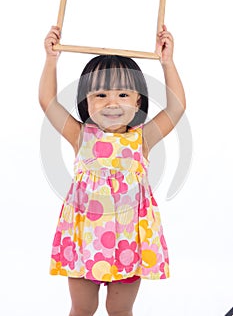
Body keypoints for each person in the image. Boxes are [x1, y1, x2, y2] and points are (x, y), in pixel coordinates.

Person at [39, 24, 186, 316]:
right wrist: (51, 59)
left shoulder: (142, 138)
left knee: (119, 309)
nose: (112, 104)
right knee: (82, 308)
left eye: (122, 95)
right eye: (101, 95)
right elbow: (48, 101)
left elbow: (177, 107)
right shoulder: (80, 135)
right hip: (84, 239)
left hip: (129, 240)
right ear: (86, 101)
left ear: (138, 101)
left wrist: (167, 62)